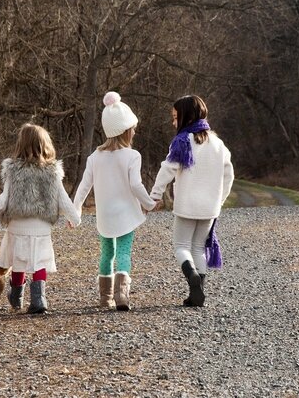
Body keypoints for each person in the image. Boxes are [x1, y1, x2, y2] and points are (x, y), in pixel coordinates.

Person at [0, 123, 80, 314]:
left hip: (17, 227)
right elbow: (64, 200)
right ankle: (39, 300)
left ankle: (17, 296)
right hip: (41, 228)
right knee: (39, 262)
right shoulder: (52, 173)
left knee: (18, 260)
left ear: (20, 145)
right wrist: (75, 218)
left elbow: (2, 202)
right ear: (45, 145)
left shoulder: (13, 172)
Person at [73, 91, 157, 311]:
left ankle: (105, 298)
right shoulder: (132, 156)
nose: (135, 131)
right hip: (126, 215)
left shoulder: (94, 157)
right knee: (123, 252)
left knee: (107, 254)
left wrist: (76, 210)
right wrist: (148, 204)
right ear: (125, 131)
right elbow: (136, 185)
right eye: (133, 128)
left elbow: (84, 186)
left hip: (105, 216)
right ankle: (122, 296)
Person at [150, 95, 234, 307]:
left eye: (175, 117)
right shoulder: (218, 143)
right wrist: (220, 200)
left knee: (181, 246)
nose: (173, 122)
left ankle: (192, 276)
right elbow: (229, 175)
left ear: (186, 117)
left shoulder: (182, 141)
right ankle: (197, 292)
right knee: (198, 247)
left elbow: (167, 169)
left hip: (187, 206)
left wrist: (155, 195)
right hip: (210, 208)